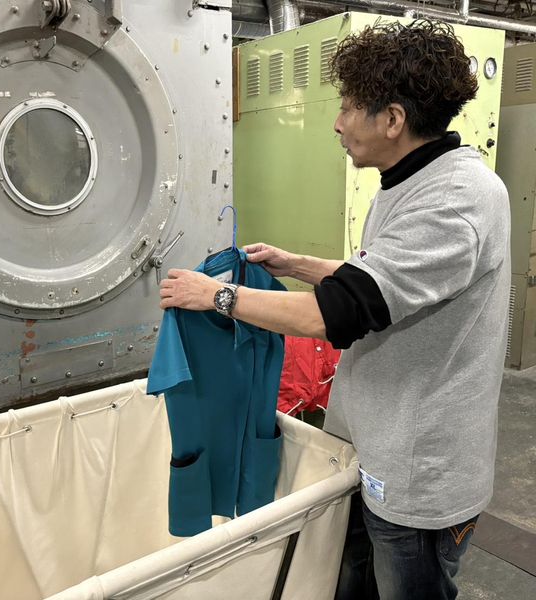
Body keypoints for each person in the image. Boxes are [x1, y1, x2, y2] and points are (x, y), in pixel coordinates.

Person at [157, 19, 510, 600]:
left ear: (392, 119)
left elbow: (335, 314)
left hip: (418, 473)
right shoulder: (410, 179)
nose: (337, 123)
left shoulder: (455, 201)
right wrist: (295, 264)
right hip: (374, 446)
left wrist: (216, 296)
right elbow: (381, 280)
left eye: (347, 107)